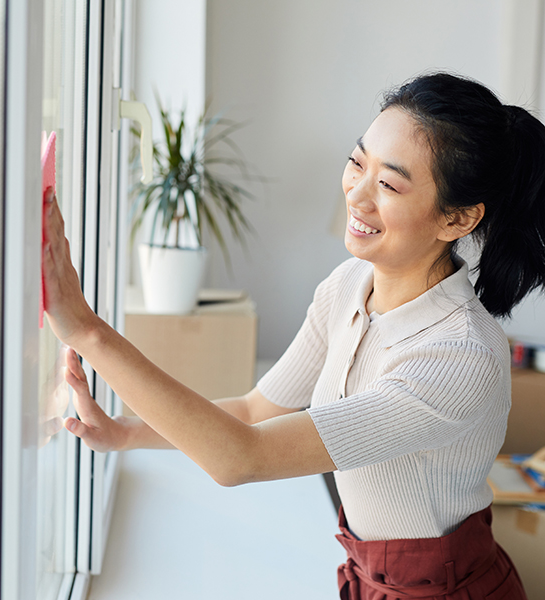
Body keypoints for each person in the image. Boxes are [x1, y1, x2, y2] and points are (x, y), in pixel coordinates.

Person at [43, 72, 545, 599]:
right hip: (370, 575)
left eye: (389, 184)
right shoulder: (349, 285)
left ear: (458, 219)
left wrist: (87, 330)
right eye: (357, 163)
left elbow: (243, 457)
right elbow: (256, 413)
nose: (357, 194)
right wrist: (126, 432)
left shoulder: (459, 356)